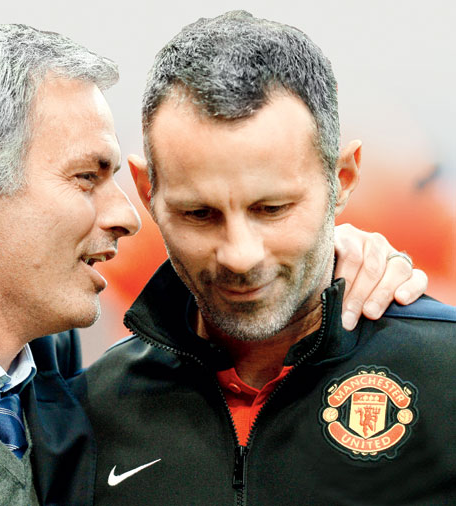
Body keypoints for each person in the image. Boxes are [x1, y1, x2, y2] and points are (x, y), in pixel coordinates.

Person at [0, 17, 428, 506]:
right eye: (87, 176)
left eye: (272, 209)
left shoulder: (51, 368)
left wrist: (323, 256)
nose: (126, 213)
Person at [73, 11, 456, 505]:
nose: (239, 255)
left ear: (341, 180)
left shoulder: (446, 374)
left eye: (271, 209)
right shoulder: (89, 412)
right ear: (148, 191)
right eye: (199, 213)